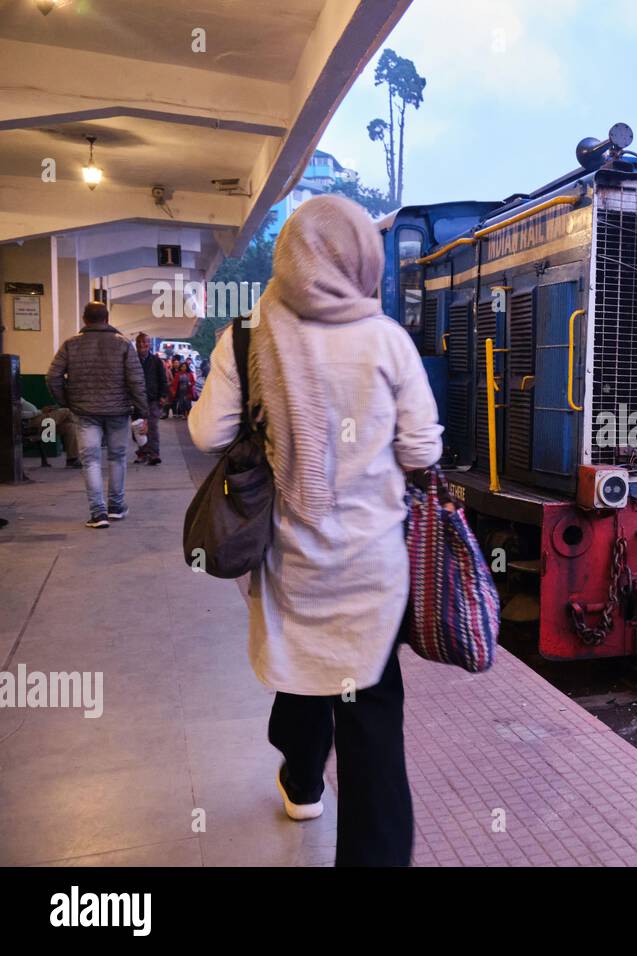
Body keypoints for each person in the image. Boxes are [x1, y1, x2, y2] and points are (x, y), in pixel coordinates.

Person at [189, 195, 443, 867]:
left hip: (293, 562)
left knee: (303, 671)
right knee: (371, 721)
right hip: (373, 570)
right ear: (362, 258)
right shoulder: (387, 339)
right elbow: (422, 450)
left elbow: (207, 431)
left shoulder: (247, 332)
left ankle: (302, 781)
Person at [46, 301, 147, 528]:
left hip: (85, 412)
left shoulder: (70, 345)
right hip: (118, 411)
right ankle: (116, 507)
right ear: (107, 319)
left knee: (90, 460)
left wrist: (67, 401)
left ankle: (98, 513)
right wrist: (142, 411)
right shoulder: (123, 344)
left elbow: (52, 377)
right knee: (117, 457)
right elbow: (136, 380)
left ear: (84, 319)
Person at [135, 333, 167, 465]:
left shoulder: (156, 361)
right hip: (136, 399)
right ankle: (142, 452)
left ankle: (154, 454)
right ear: (136, 344)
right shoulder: (132, 360)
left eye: (145, 342)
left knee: (152, 427)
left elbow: (163, 379)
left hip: (152, 398)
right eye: (140, 342)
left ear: (149, 344)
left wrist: (163, 396)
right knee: (138, 429)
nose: (142, 344)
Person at [20, 397, 80, 466]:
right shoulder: (8, 397)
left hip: (38, 419)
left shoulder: (15, 395)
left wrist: (43, 412)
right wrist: (40, 412)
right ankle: (85, 429)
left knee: (70, 427)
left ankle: (72, 459)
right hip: (30, 422)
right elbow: (17, 414)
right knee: (66, 411)